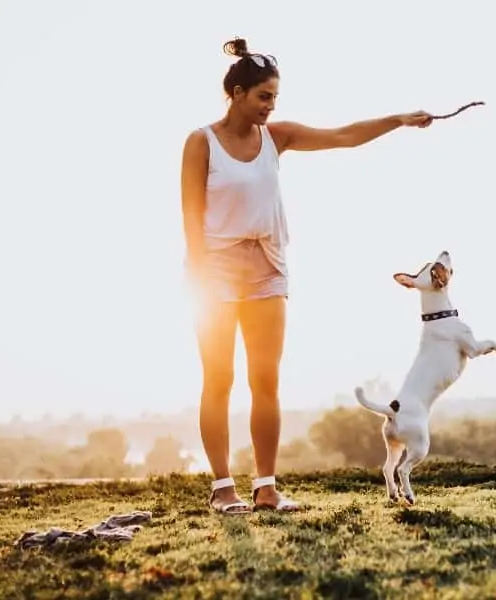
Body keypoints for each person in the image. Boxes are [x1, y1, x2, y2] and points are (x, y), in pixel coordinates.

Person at [180, 37, 434, 513]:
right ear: (235, 93)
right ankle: (222, 489)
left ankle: (266, 487)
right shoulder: (201, 141)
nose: (270, 107)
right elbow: (191, 219)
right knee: (218, 380)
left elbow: (343, 135)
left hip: (267, 270)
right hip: (214, 273)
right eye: (263, 97)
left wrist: (398, 120)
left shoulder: (277, 137)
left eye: (275, 98)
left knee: (265, 381)